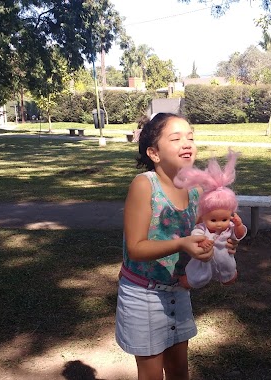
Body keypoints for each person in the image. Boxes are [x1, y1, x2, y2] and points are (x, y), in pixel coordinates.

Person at [115, 112, 239, 380]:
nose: (187, 143)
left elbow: (200, 233)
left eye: (190, 137)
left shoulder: (196, 192)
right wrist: (183, 243)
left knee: (179, 372)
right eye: (176, 138)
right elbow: (136, 248)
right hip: (143, 294)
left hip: (178, 290)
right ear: (154, 153)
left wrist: (218, 245)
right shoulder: (144, 185)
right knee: (151, 376)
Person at [173, 148, 247, 289]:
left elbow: (239, 235)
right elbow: (196, 234)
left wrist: (238, 225)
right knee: (199, 275)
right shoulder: (202, 228)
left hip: (225, 258)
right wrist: (203, 241)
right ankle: (189, 280)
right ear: (203, 216)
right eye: (213, 220)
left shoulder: (229, 227)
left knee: (228, 267)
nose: (219, 224)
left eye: (224, 219)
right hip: (203, 262)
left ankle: (228, 276)